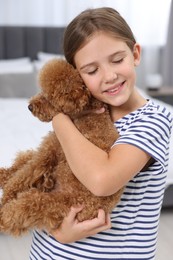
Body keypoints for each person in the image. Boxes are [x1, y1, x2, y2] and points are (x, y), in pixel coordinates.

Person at [29, 7, 173, 260]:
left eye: (117, 60)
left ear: (135, 54)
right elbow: (51, 183)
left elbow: (101, 180)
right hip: (45, 251)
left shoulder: (154, 120)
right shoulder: (81, 113)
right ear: (76, 76)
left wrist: (59, 119)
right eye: (92, 71)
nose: (109, 76)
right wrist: (55, 230)